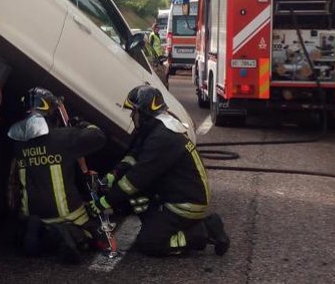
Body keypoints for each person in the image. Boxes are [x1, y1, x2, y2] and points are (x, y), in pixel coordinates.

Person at [88, 85, 230, 257]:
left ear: (144, 113)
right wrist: (114, 174)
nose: (132, 116)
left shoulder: (162, 138)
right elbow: (134, 155)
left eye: (134, 111)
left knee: (149, 243)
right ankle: (156, 223)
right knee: (129, 196)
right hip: (173, 194)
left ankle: (205, 231)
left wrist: (104, 202)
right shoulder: (154, 128)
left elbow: (136, 179)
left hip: (185, 204)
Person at [7, 87, 107, 264]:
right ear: (49, 111)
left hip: (32, 214)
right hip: (66, 214)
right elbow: (98, 137)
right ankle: (70, 233)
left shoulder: (17, 142)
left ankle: (39, 234)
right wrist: (82, 124)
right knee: (94, 232)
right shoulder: (63, 137)